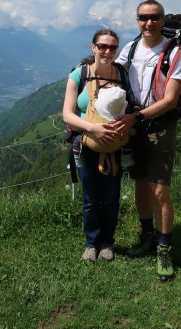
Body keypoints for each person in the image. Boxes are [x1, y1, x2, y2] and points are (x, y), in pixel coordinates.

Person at [112, 0, 181, 281]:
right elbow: (112, 75)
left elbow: (170, 100)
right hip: (133, 126)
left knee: (159, 190)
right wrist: (90, 64)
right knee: (141, 184)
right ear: (137, 20)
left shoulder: (174, 51)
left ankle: (164, 248)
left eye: (154, 17)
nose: (149, 22)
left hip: (159, 127)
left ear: (163, 19)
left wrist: (136, 118)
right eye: (143, 17)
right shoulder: (130, 50)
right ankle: (147, 236)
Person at [62, 29, 129, 262]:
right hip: (85, 144)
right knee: (90, 198)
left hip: (114, 145)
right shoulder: (79, 75)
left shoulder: (122, 74)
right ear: (93, 47)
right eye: (102, 46)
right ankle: (92, 244)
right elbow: (67, 115)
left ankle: (107, 243)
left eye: (112, 47)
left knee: (110, 197)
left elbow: (129, 108)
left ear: (117, 50)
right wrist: (93, 129)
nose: (107, 51)